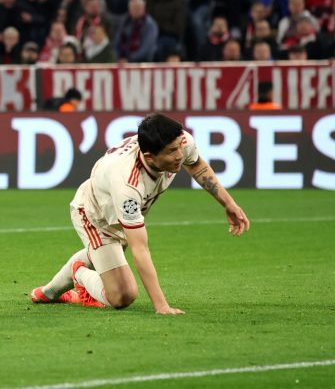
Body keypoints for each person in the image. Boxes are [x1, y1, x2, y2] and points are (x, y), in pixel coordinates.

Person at [29, 114, 250, 313]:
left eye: (180, 147)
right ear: (150, 157)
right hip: (96, 216)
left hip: (120, 210)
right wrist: (161, 306)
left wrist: (228, 203)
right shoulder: (127, 184)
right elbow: (140, 248)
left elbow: (197, 165)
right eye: (172, 152)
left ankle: (48, 293)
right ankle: (80, 272)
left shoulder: (180, 141)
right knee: (122, 296)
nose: (180, 156)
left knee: (104, 257)